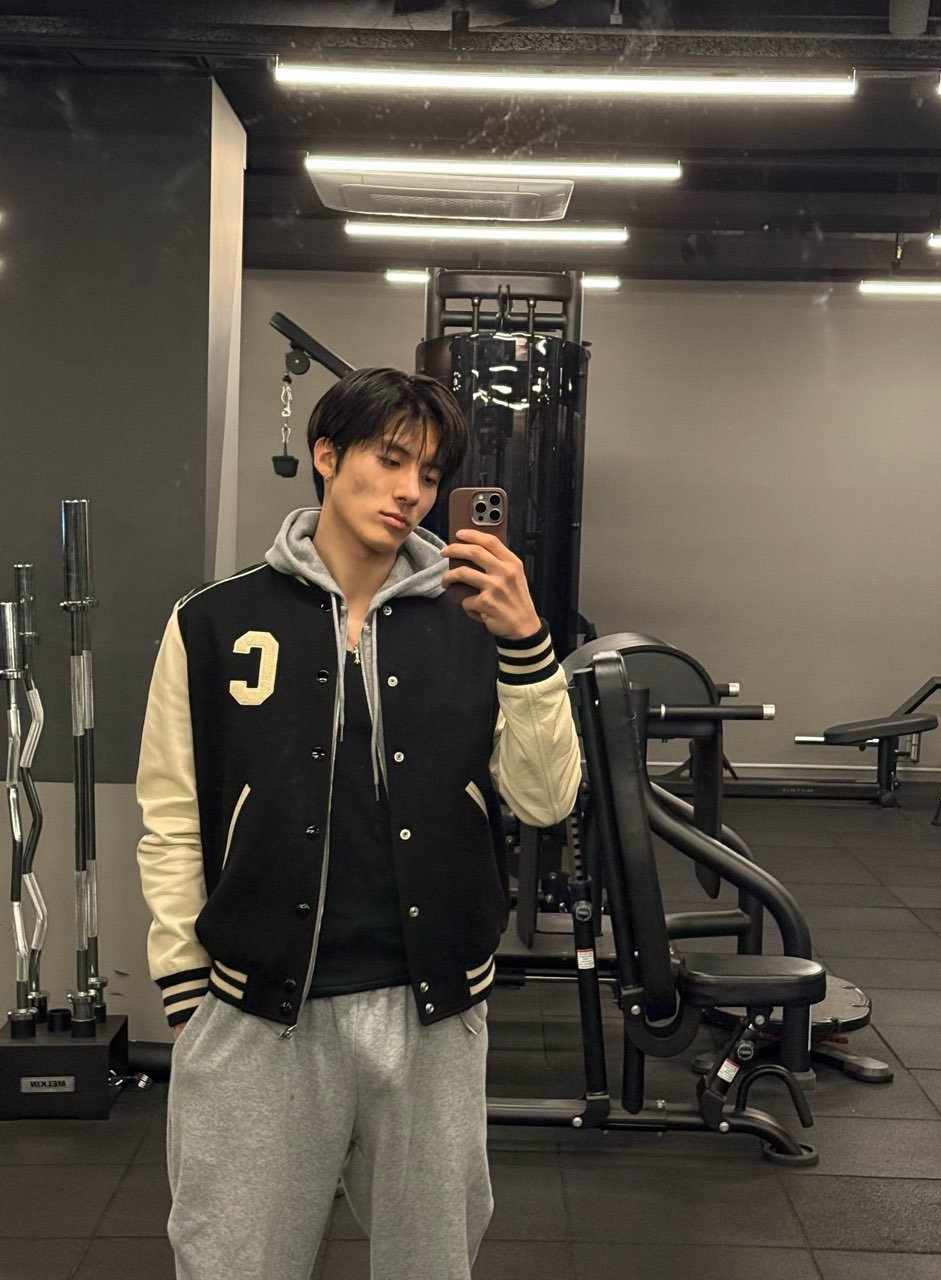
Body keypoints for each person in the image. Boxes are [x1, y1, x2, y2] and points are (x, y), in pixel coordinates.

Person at [136, 366, 581, 1280]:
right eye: (391, 459)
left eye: (430, 472)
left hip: (430, 1009)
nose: (411, 490)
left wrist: (529, 645)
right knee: (230, 1260)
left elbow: (546, 800)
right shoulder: (214, 621)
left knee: (429, 1263)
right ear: (327, 456)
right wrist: (183, 986)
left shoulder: (478, 621)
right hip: (256, 1008)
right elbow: (172, 814)